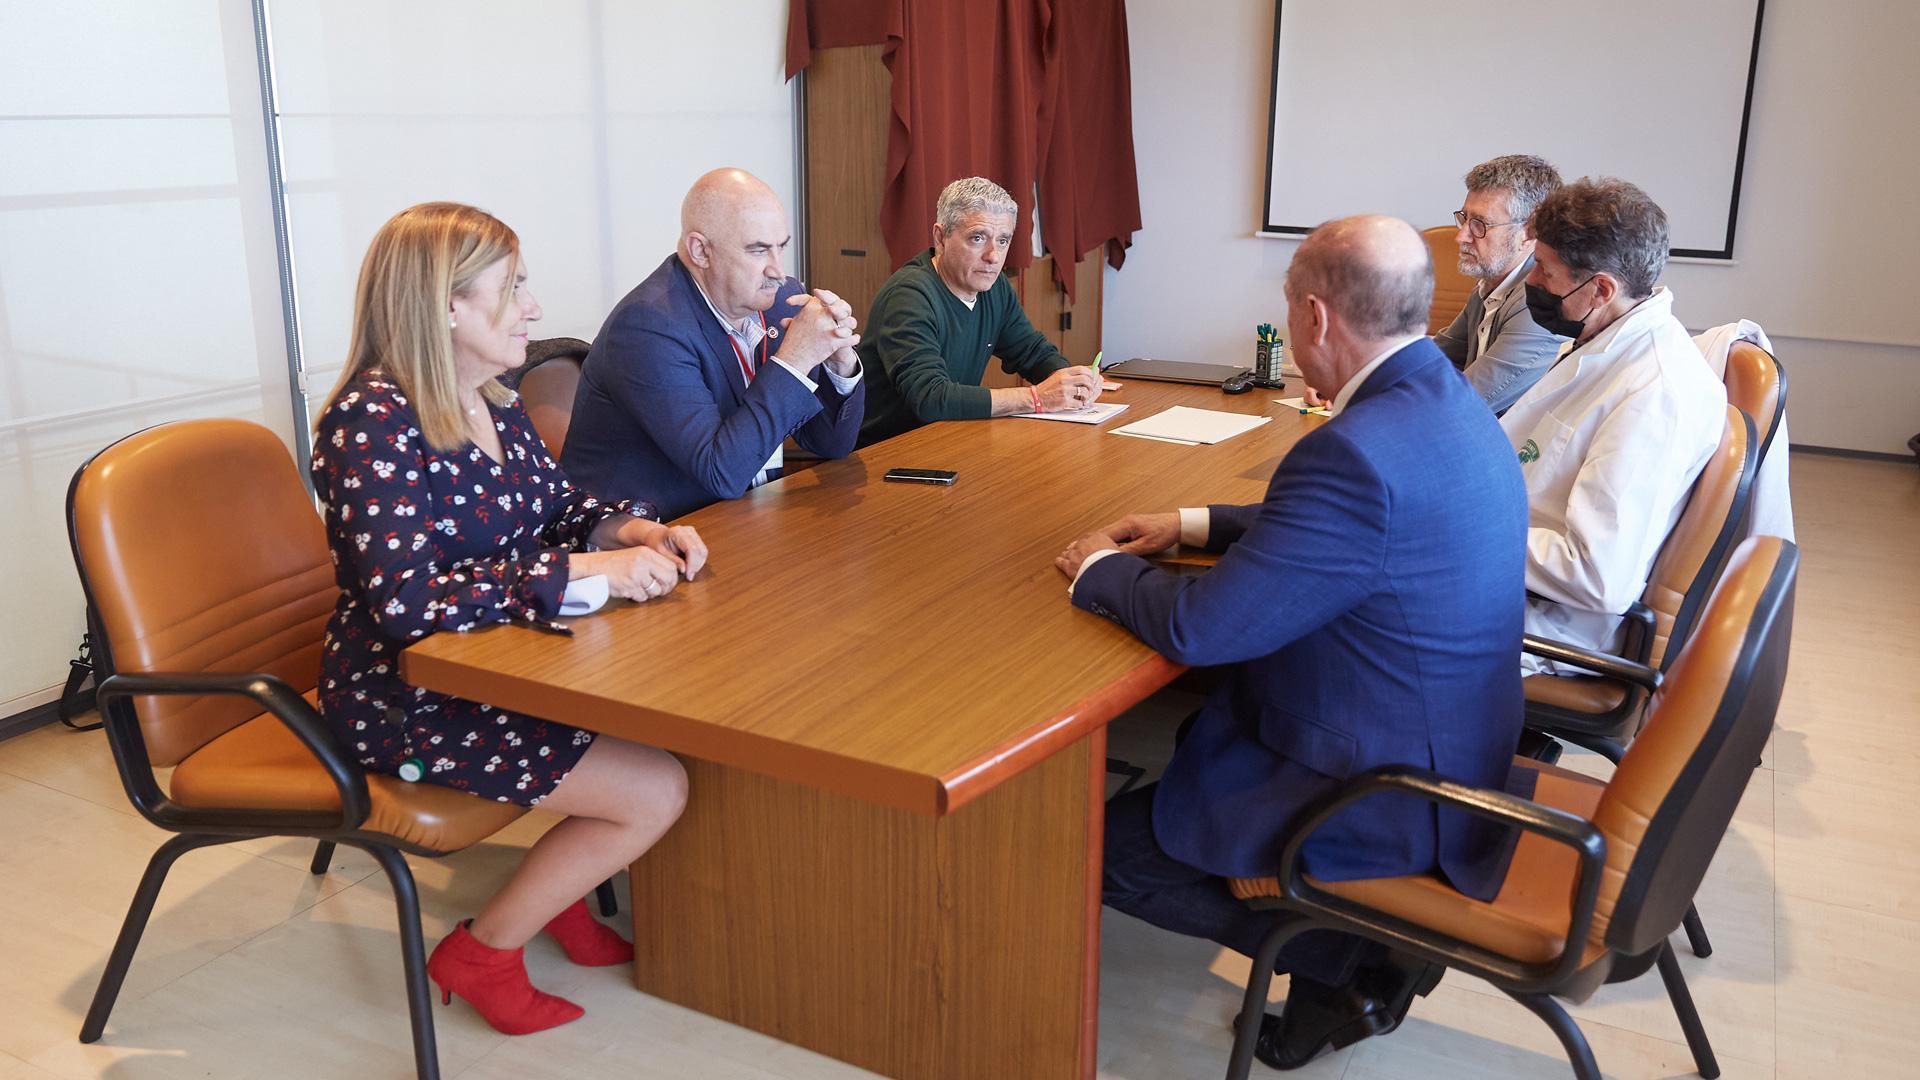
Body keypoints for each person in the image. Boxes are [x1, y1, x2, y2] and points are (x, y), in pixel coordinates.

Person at [1056, 216, 1528, 1069]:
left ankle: (1349, 959)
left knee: (1093, 848)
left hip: (1385, 789)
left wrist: (1097, 571)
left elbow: (1202, 630)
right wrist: (1194, 521)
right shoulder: (1443, 398)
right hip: (1459, 743)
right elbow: (1350, 528)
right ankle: (1347, 958)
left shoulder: (1355, 454)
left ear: (1313, 318)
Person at [311, 202, 696, 1035]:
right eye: (513, 287)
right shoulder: (369, 422)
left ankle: (553, 896)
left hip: (506, 657)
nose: (532, 305)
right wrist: (581, 571)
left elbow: (555, 511)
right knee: (656, 788)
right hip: (405, 695)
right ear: (447, 305)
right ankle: (482, 952)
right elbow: (405, 604)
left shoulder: (492, 398)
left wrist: (625, 528)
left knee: (679, 722)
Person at [1502, 178, 1727, 671]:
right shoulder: (1604, 337)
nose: (1531, 282)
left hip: (1545, 624)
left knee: (1343, 618)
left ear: (1601, 289)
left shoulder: (1654, 395)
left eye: (1543, 268)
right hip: (1513, 578)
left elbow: (1596, 575)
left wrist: (1465, 528)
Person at [563, 168, 865, 520]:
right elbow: (720, 472)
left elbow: (831, 443)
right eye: (758, 251)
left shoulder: (781, 300)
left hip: (744, 522)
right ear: (701, 251)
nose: (779, 272)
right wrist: (796, 358)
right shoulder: (647, 329)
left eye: (781, 247)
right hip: (648, 539)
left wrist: (838, 362)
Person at [855, 176, 1104, 447]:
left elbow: (1032, 353)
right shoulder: (909, 296)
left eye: (1002, 241)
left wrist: (1073, 383)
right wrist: (1037, 398)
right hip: (889, 452)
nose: (993, 256)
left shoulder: (993, 287)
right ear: (941, 238)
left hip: (950, 440)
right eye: (977, 238)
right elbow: (930, 398)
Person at [1432, 154, 1566, 413]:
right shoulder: (1492, 284)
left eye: (1479, 224)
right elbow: (1439, 357)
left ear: (1530, 232)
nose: (1461, 237)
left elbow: (1460, 405)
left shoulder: (1542, 304)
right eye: (1464, 218)